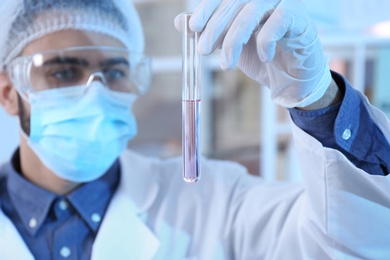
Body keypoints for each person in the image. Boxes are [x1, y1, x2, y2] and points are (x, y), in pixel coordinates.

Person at [0, 0, 389, 259]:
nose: (95, 93)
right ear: (8, 92)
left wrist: (317, 99)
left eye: (115, 72)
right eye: (63, 71)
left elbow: (358, 243)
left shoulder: (216, 200)